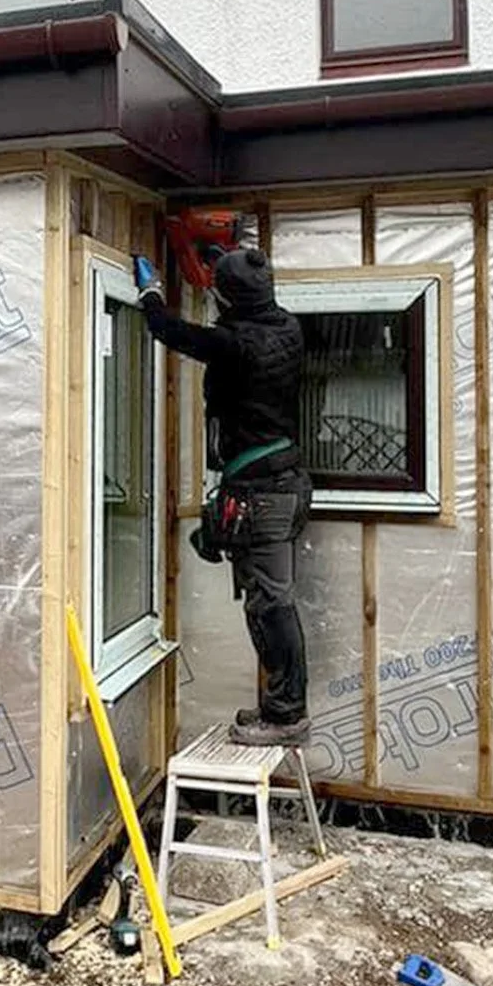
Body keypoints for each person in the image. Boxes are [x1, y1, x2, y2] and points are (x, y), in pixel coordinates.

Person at [131, 244, 315, 746]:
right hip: (277, 482)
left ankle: (287, 716)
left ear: (231, 299)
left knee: (270, 604)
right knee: (267, 600)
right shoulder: (287, 328)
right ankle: (280, 709)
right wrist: (220, 260)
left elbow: (170, 331)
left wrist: (149, 293)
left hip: (264, 492)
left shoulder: (234, 345)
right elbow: (236, 311)